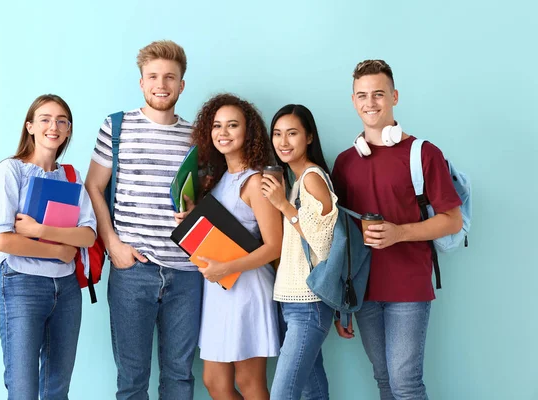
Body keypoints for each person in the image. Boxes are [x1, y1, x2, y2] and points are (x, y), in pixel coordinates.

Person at [331, 59, 463, 399]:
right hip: (363, 291)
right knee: (385, 381)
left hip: (408, 287)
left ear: (395, 96)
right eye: (362, 95)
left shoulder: (424, 154)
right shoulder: (345, 162)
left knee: (405, 384)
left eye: (378, 94)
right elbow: (341, 236)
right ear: (353, 101)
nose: (370, 103)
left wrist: (399, 232)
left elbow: (452, 220)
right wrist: (341, 304)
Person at [84, 40, 202, 400]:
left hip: (187, 273)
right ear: (141, 83)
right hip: (132, 270)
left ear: (182, 85)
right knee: (132, 380)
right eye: (153, 76)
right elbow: (93, 186)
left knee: (179, 377)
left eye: (170, 77)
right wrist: (113, 246)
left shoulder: (197, 136)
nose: (161, 84)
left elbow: (205, 201)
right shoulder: (116, 127)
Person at [0, 94, 97, 399]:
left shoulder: (71, 177)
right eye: (45, 119)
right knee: (23, 388)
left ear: (69, 130)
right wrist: (60, 249)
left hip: (67, 290)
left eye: (62, 121)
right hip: (22, 284)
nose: (54, 126)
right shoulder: (11, 171)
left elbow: (87, 236)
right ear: (30, 126)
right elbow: (3, 240)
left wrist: (39, 230)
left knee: (57, 389)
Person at [185, 93, 282, 400]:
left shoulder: (256, 182)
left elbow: (275, 246)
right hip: (219, 288)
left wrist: (226, 268)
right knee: (215, 383)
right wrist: (190, 216)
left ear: (248, 132)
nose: (223, 133)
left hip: (247, 290)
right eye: (216, 126)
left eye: (232, 126)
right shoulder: (219, 179)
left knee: (250, 383)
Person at [261, 104, 338, 400]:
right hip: (291, 301)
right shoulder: (295, 183)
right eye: (277, 134)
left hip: (309, 304)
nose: (283, 142)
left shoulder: (311, 178)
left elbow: (322, 244)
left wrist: (283, 205)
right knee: (312, 391)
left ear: (309, 137)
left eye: (292, 133)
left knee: (284, 394)